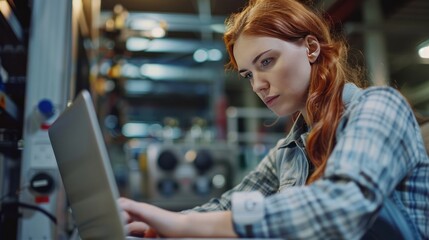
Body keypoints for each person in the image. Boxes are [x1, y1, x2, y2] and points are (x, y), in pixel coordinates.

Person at [118, 0, 429, 239]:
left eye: (266, 61)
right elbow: (228, 206)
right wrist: (153, 222)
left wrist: (182, 224)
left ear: (310, 47)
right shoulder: (289, 150)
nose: (257, 85)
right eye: (248, 74)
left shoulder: (379, 107)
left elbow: (342, 207)